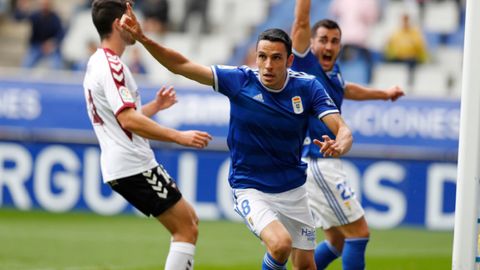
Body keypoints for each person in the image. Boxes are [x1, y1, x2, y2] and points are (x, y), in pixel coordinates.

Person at [120, 3, 353, 269]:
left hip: (294, 189)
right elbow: (181, 65)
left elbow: (342, 129)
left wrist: (340, 145)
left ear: (289, 60)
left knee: (305, 266)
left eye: (276, 58)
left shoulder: (308, 87)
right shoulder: (240, 80)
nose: (267, 65)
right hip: (251, 188)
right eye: (262, 56)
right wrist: (143, 38)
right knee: (279, 245)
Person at [83, 1, 212, 269]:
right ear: (121, 24)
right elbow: (128, 120)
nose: (137, 26)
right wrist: (179, 136)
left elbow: (120, 117)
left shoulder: (98, 62)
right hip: (132, 163)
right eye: (132, 20)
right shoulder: (112, 67)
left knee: (190, 221)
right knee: (186, 229)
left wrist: (154, 107)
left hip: (125, 162)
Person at [290, 0, 405, 269]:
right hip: (318, 162)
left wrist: (384, 94)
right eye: (323, 40)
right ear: (312, 43)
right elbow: (302, 21)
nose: (328, 46)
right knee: (359, 233)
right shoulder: (306, 66)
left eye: (334, 41)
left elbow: (347, 89)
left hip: (322, 163)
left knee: (337, 242)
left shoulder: (333, 72)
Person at [14, 0, 64, 69]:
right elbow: (18, 18)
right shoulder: (35, 16)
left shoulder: (55, 18)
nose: (44, 6)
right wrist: (22, 9)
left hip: (50, 47)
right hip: (36, 46)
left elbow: (60, 33)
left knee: (57, 65)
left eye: (46, 4)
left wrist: (52, 42)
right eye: (43, 4)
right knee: (26, 66)